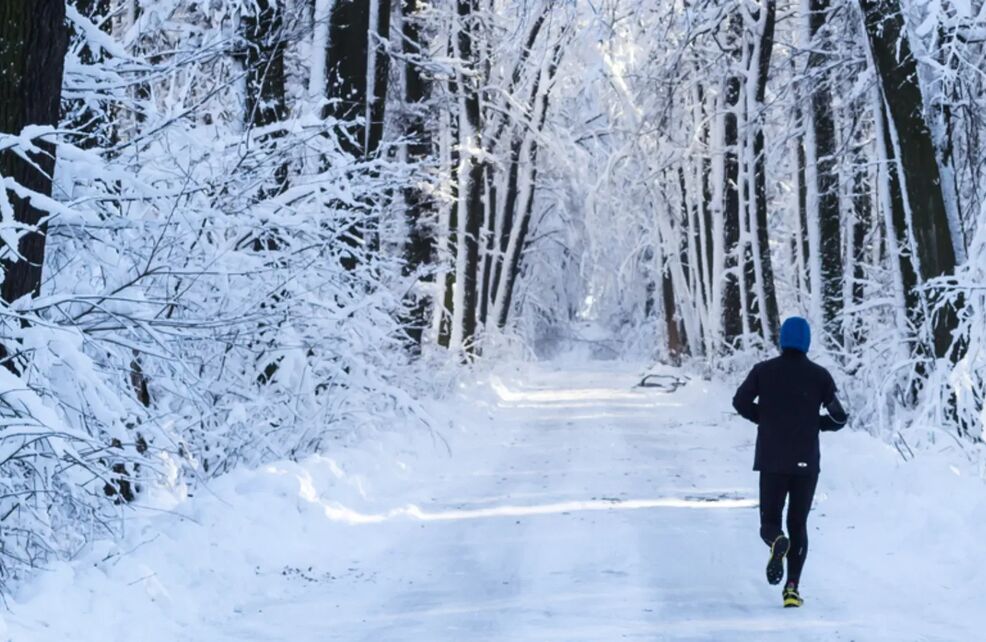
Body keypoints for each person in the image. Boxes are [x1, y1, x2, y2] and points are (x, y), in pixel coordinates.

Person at [731, 316, 848, 608]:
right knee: (799, 524)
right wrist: (816, 424)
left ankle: (775, 541)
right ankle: (792, 589)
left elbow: (740, 402)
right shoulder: (819, 376)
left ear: (782, 340)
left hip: (772, 459)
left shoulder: (764, 371)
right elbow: (839, 416)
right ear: (807, 341)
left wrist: (765, 418)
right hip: (806, 463)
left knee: (770, 522)